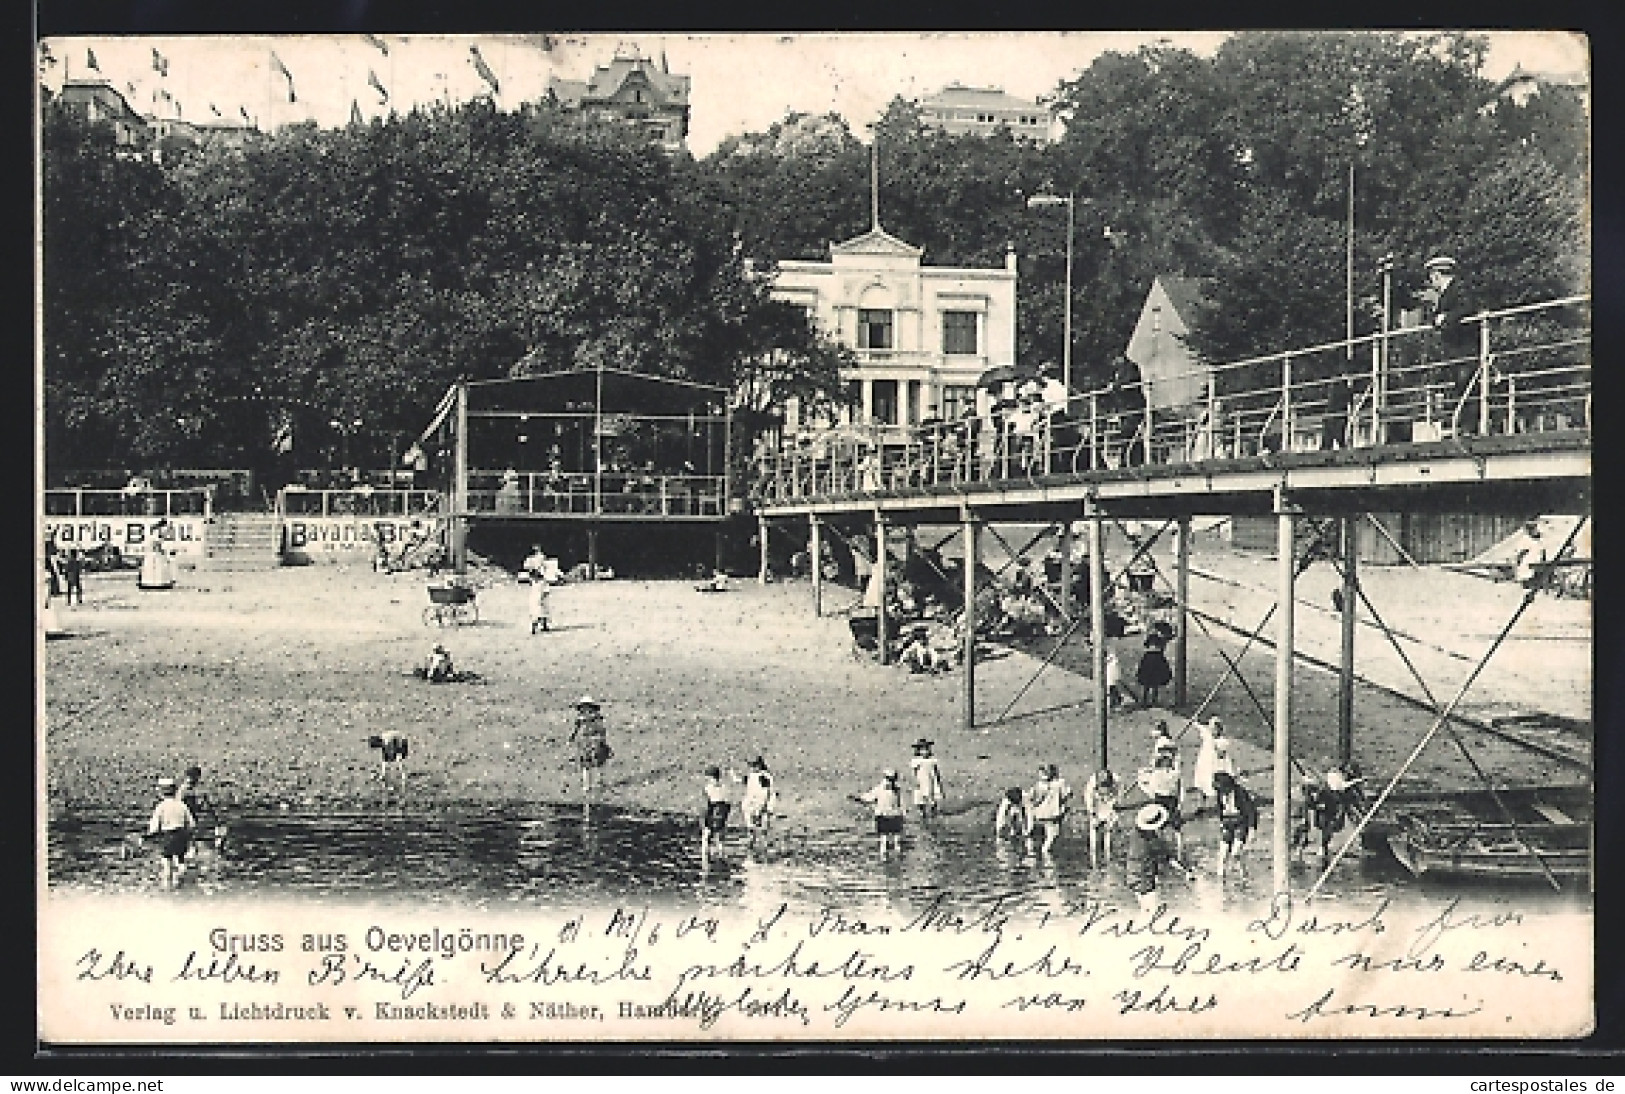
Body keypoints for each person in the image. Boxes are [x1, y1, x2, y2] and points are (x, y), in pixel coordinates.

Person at [1125, 803, 1194, 913]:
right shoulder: (1152, 841)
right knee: (1153, 912)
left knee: (1145, 910)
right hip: (1144, 879)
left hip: (1132, 876)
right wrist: (1185, 871)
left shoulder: (1136, 834)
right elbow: (1167, 858)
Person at [146, 776, 196, 890]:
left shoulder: (161, 807)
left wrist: (150, 834)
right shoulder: (182, 805)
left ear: (161, 793)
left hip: (168, 836)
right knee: (180, 859)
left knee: (167, 862)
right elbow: (191, 824)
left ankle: (167, 885)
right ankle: (180, 877)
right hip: (181, 836)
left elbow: (154, 827)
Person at [1137, 750, 1184, 857]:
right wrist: (1180, 803)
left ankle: (1161, 849)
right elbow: (1181, 790)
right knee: (1176, 827)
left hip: (1160, 800)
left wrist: (1147, 790)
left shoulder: (1156, 775)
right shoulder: (1175, 774)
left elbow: (1148, 786)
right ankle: (1179, 852)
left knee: (1159, 825)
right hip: (1173, 801)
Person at [1212, 771, 1259, 877]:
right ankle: (1221, 878)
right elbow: (1220, 808)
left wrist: (1252, 830)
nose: (1222, 792)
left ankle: (1243, 874)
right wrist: (1221, 823)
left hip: (1240, 823)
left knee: (1236, 852)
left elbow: (1251, 812)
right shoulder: (1220, 793)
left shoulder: (1240, 793)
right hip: (1227, 823)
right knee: (1223, 853)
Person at [856, 768, 906, 857]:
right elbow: (868, 798)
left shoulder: (895, 790)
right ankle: (888, 858)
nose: (891, 782)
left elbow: (901, 803)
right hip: (886, 816)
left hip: (892, 815)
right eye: (889, 779)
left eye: (892, 779)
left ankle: (891, 857)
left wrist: (903, 813)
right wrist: (859, 799)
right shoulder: (882, 789)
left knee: (894, 840)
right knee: (886, 840)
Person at [1191, 716, 1235, 815]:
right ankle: (1201, 805)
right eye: (1210, 727)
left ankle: (1223, 805)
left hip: (1214, 765)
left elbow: (1221, 755)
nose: (1211, 730)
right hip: (1204, 763)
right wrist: (1194, 721)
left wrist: (1215, 746)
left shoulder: (1222, 741)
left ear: (1219, 729)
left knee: (1217, 784)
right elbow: (1200, 727)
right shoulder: (1208, 735)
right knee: (1201, 783)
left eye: (1213, 728)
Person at [1027, 763, 1073, 857]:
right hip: (1052, 815)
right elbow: (1067, 794)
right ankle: (1045, 853)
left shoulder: (1039, 784)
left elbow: (1031, 797)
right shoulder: (1060, 783)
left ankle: (1034, 852)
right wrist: (1063, 807)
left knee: (1038, 836)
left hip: (1039, 814)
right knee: (1053, 835)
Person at [568, 696, 611, 794]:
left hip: (595, 742)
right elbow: (576, 729)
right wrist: (572, 737)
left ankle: (600, 782)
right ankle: (586, 786)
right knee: (585, 765)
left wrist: (602, 740)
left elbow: (602, 730)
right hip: (585, 743)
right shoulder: (580, 719)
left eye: (588, 707)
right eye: (584, 707)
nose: (586, 709)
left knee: (599, 763)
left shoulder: (597, 718)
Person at [1083, 768, 1121, 869]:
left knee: (1109, 832)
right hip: (1097, 804)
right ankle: (1094, 858)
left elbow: (1117, 803)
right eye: (1102, 787)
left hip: (1110, 803)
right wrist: (1093, 815)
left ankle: (1108, 856)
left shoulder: (1117, 782)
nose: (1104, 790)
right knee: (1094, 831)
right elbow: (1089, 803)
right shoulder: (1091, 787)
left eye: (1106, 787)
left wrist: (1112, 820)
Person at [700, 765, 738, 864]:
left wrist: (704, 820)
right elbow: (728, 803)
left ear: (711, 777)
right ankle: (721, 857)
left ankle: (705, 859)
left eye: (708, 778)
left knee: (706, 837)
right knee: (720, 839)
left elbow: (706, 805)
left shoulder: (708, 788)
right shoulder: (725, 787)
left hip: (712, 813)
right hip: (722, 815)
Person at [740, 756, 778, 850]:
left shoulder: (763, 777)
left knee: (763, 826)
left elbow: (765, 794)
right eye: (750, 766)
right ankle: (752, 843)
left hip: (763, 804)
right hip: (753, 803)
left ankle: (764, 845)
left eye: (753, 766)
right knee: (752, 825)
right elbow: (745, 781)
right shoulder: (753, 775)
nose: (751, 768)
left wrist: (760, 808)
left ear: (759, 766)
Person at [910, 739, 945, 820]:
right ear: (918, 751)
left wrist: (938, 780)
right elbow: (914, 772)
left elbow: (936, 771)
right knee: (920, 797)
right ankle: (922, 812)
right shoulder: (916, 761)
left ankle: (933, 811)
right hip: (922, 780)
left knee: (932, 795)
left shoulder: (932, 760)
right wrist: (915, 780)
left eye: (927, 749)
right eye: (923, 750)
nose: (926, 751)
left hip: (931, 780)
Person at [1136, 633, 1173, 709]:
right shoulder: (1160, 641)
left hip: (1148, 660)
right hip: (1157, 660)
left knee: (1147, 683)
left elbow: (1145, 645)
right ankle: (1153, 701)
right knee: (1155, 683)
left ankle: (1145, 701)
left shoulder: (1148, 649)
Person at [137, 522, 176, 591]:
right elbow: (157, 547)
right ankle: (157, 582)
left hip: (151, 555)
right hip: (155, 555)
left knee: (153, 567)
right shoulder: (154, 538)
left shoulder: (150, 538)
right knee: (157, 567)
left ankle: (151, 582)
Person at [1513, 520, 1551, 590]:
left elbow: (1542, 552)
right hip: (1527, 566)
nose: (1534, 530)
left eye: (1535, 528)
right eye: (1532, 528)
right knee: (1528, 585)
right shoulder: (1525, 540)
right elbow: (1520, 554)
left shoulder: (1539, 540)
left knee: (1536, 584)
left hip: (1537, 566)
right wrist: (1517, 565)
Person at [1322, 375, 1354, 451]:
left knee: (1329, 438)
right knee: (1337, 435)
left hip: (1333, 414)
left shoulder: (1334, 389)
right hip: (1337, 415)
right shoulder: (1340, 389)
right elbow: (1348, 398)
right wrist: (1350, 388)